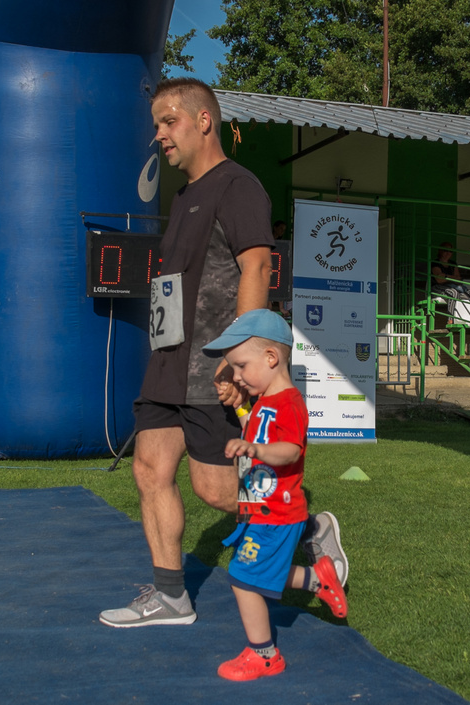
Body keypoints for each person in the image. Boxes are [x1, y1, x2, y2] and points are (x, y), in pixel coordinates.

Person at [99, 78, 346, 631]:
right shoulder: (184, 195)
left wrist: (238, 355)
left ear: (203, 121)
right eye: (156, 124)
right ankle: (170, 597)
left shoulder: (238, 186)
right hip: (167, 360)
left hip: (209, 367)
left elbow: (256, 266)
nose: (158, 135)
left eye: (169, 122)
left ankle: (307, 530)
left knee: (215, 490)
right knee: (149, 470)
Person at [200, 310, 348, 681]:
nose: (236, 376)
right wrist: (237, 407)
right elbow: (258, 427)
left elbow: (291, 450)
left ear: (271, 359)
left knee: (243, 578)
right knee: (263, 571)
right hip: (258, 508)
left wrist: (257, 450)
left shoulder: (289, 402)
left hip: (278, 512)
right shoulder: (264, 399)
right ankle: (318, 579)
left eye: (241, 367)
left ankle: (264, 655)